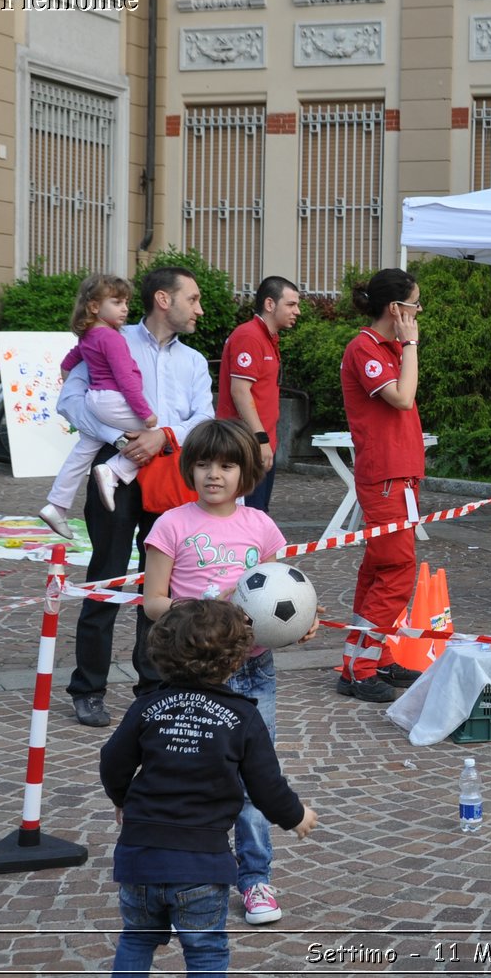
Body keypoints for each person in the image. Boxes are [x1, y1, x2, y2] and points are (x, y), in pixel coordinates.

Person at [140, 418, 317, 927]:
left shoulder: (260, 527)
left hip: (255, 671)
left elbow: (288, 591)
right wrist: (202, 607)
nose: (213, 474)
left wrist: (302, 623)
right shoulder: (170, 526)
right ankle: (186, 868)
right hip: (193, 674)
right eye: (203, 463)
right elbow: (153, 602)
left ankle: (256, 878)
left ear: (245, 472)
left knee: (254, 778)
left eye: (226, 464)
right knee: (191, 772)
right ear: (188, 467)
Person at [100, 598, 317, 975]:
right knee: (206, 952)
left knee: (136, 938)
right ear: (236, 660)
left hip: (139, 858)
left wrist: (122, 798)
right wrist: (296, 815)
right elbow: (266, 786)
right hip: (202, 865)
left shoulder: (146, 707)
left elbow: (112, 762)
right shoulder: (243, 716)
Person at [58, 263, 211, 728]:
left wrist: (164, 436)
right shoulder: (110, 339)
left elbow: (205, 418)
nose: (199, 310)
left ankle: (153, 688)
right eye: (193, 299)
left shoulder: (194, 361)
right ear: (164, 300)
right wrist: (122, 438)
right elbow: (68, 401)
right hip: (116, 474)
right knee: (105, 578)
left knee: (159, 587)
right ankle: (88, 689)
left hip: (170, 480)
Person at [337, 268, 428, 702]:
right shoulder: (365, 348)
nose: (419, 311)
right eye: (414, 304)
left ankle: (369, 654)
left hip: (399, 476)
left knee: (379, 569)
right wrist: (410, 345)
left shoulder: (385, 348)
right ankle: (361, 666)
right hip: (386, 477)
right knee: (396, 570)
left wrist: (404, 346)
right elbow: (402, 397)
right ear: (396, 309)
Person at [38, 274, 158, 539]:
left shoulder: (89, 336)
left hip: (95, 399)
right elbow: (126, 379)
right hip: (113, 400)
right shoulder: (112, 338)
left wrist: (72, 385)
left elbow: (67, 363)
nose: (124, 308)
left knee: (82, 451)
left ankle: (57, 505)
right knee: (155, 438)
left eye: (126, 302)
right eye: (116, 302)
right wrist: (145, 414)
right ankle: (114, 470)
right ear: (94, 307)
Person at [216, 276, 301, 514]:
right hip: (248, 444)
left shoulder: (266, 337)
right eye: (291, 304)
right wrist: (261, 439)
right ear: (270, 304)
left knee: (257, 513)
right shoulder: (249, 336)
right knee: (249, 515)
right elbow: (240, 391)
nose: (297, 311)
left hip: (259, 443)